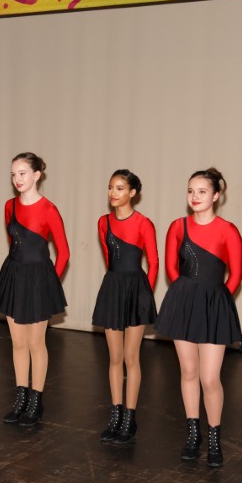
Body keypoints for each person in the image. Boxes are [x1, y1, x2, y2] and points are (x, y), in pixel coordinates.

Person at [155, 168, 242, 467]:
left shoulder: (228, 230)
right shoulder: (178, 227)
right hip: (184, 303)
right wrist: (185, 296)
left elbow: (236, 275)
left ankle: (214, 437)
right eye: (191, 191)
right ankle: (193, 435)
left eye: (202, 191)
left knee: (209, 377)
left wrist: (216, 301)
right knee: (189, 371)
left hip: (213, 306)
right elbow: (171, 268)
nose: (195, 196)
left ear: (216, 195)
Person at [0, 152, 70, 427]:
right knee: (18, 343)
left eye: (22, 173)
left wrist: (48, 283)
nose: (17, 179)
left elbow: (63, 252)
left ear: (37, 175)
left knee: (36, 343)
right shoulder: (9, 206)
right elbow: (14, 242)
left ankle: (36, 400)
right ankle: (21, 397)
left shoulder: (49, 209)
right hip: (15, 276)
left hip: (38, 279)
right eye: (14, 174)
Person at [92, 169, 158, 445]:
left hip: (136, 291)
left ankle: (130, 417)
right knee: (114, 357)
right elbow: (110, 259)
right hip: (113, 288)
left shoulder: (144, 223)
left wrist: (144, 296)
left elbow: (153, 263)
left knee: (132, 357)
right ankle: (116, 414)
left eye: (119, 188)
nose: (113, 193)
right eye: (111, 187)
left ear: (132, 193)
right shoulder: (103, 222)